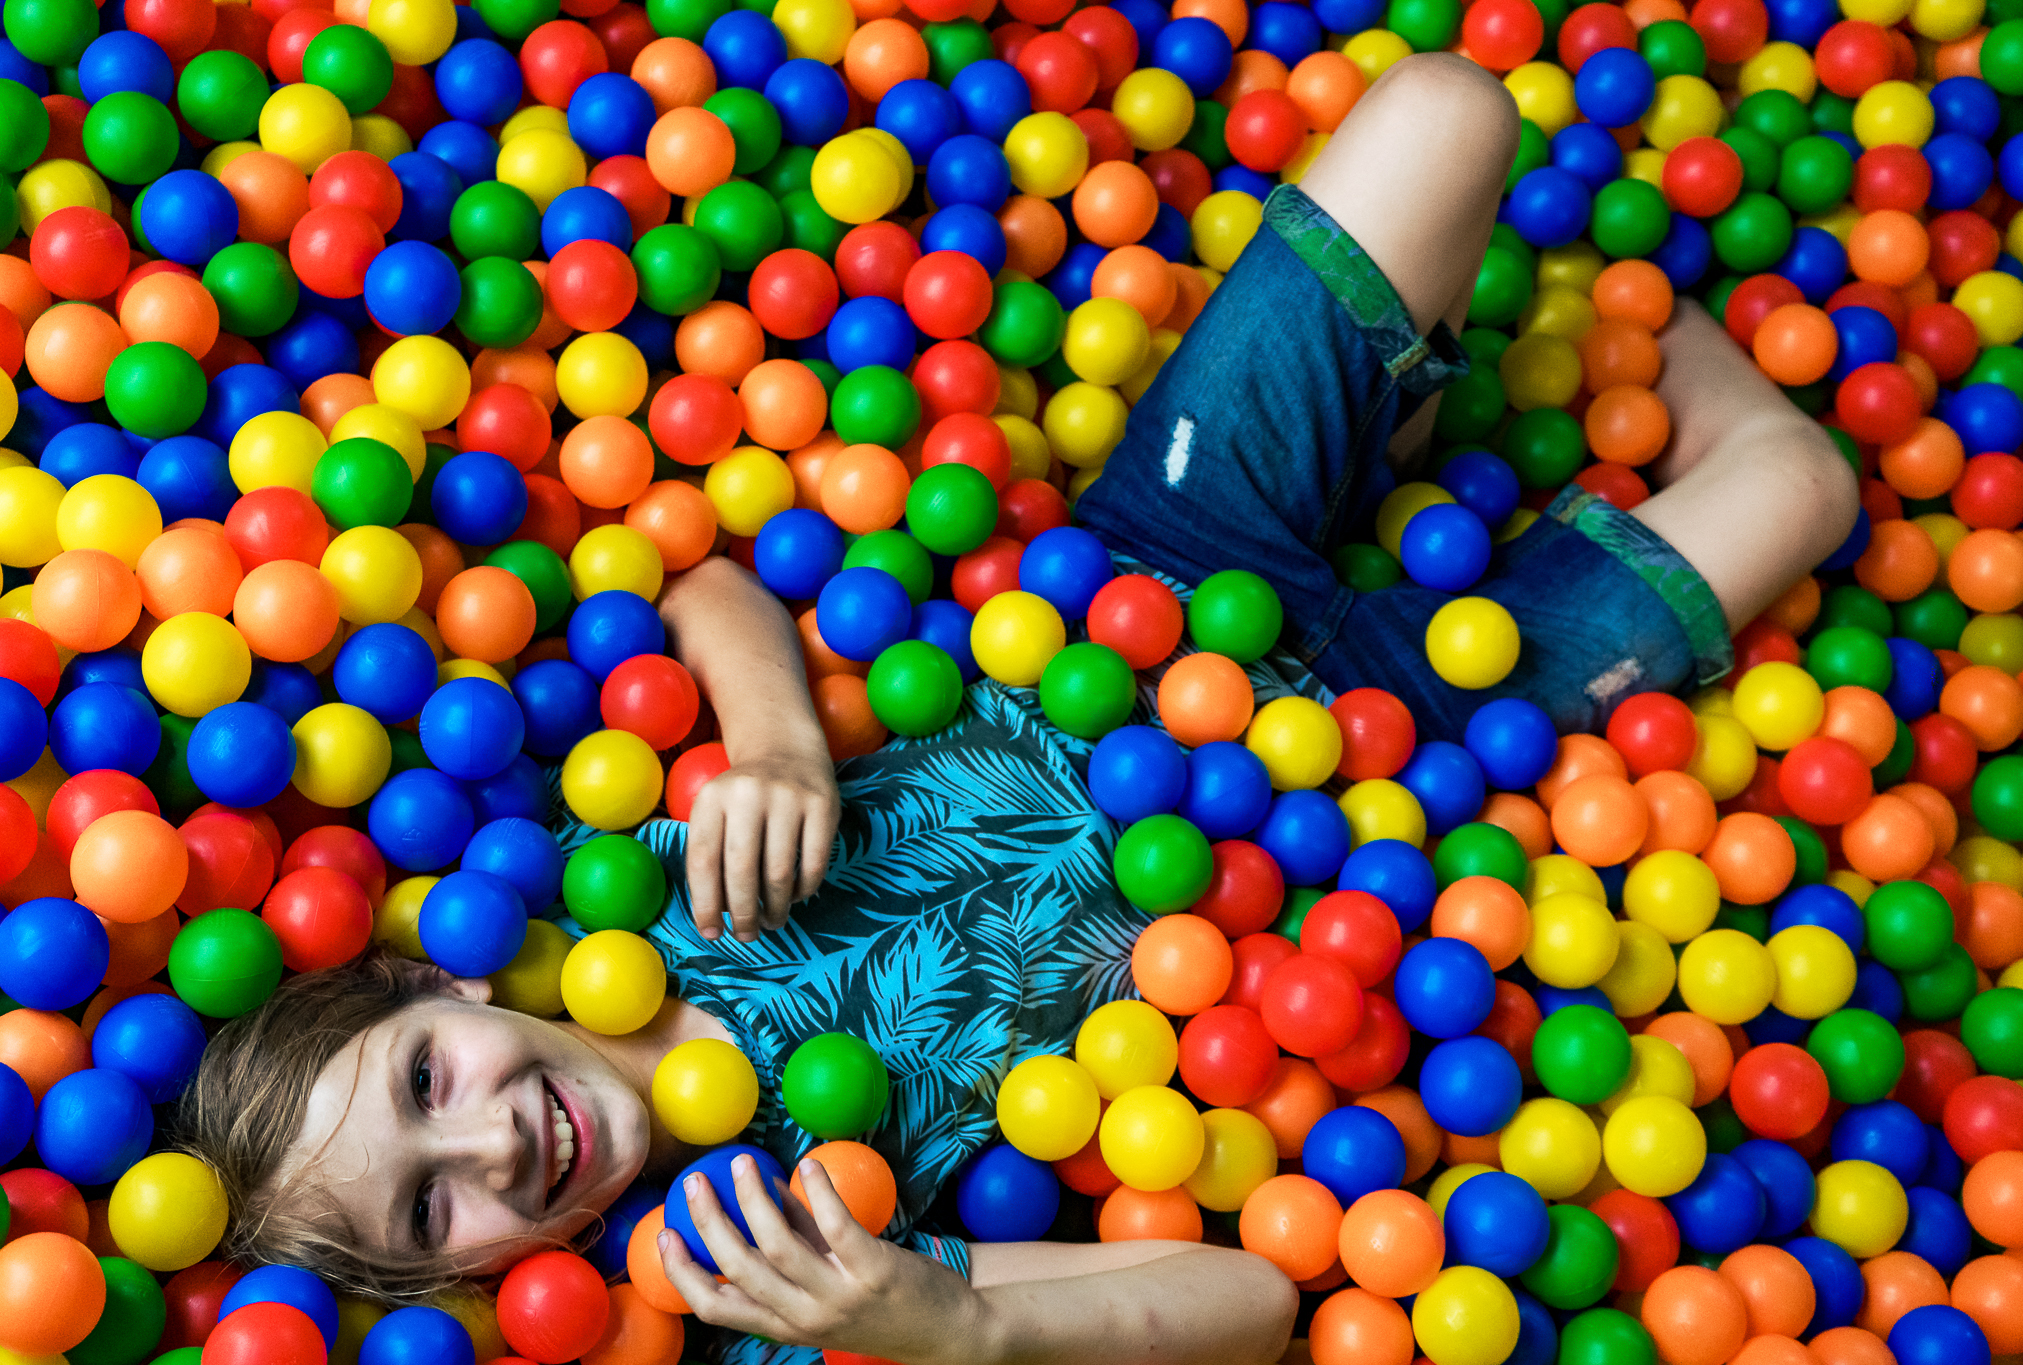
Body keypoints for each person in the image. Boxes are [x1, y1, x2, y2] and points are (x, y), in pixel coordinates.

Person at [172, 52, 1858, 1365]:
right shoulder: (774, 1266)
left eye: (420, 1079)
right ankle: (1498, 389)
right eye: (427, 1206)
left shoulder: (581, 890)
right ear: (448, 1293)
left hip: (1170, 571)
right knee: (1802, 480)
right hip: (1388, 784)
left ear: (426, 980)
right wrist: (945, 1320)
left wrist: (771, 737)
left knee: (1447, 106)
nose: (485, 1140)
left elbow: (702, 588)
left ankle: (1398, 419)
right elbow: (1252, 1300)